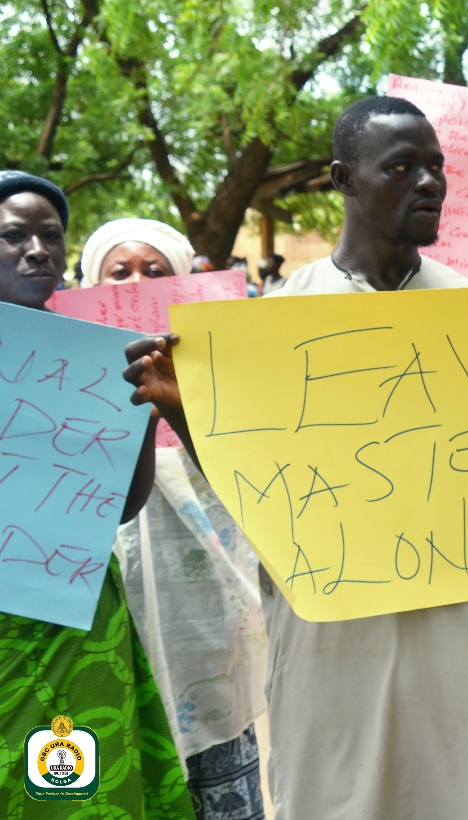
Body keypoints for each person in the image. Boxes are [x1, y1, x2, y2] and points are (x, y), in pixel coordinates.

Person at [123, 96, 468, 820]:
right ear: (344, 179)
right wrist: (180, 409)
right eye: (402, 166)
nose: (430, 182)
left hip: (463, 644)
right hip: (333, 650)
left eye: (436, 166)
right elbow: (260, 491)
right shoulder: (274, 322)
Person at [0, 171, 194, 817]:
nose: (37, 250)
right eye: (13, 236)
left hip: (71, 622)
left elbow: (120, 505)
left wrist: (144, 408)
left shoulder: (101, 355)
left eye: (51, 237)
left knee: (70, 789)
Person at [80, 218, 268, 820]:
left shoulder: (222, 391)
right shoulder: (70, 400)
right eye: (120, 274)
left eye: (155, 273)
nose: (137, 284)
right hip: (112, 629)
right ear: (87, 286)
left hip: (208, 639)